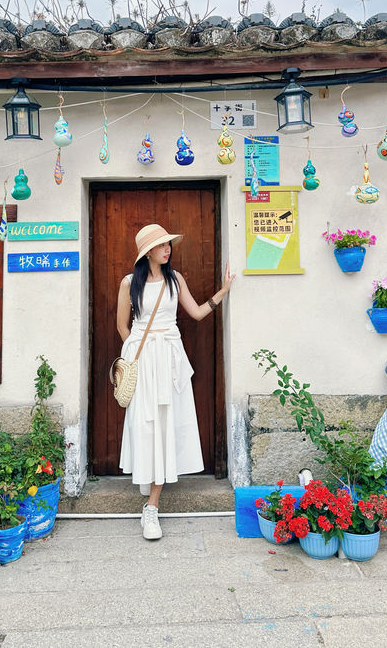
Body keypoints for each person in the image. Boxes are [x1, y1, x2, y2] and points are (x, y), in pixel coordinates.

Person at [116, 223, 235, 540]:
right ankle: (148, 487)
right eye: (161, 246)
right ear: (147, 252)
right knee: (145, 426)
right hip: (142, 361)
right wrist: (135, 359)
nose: (167, 249)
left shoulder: (175, 280)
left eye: (168, 244)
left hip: (169, 359)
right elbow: (122, 327)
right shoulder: (129, 283)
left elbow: (195, 313)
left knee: (165, 425)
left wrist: (222, 292)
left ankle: (151, 507)